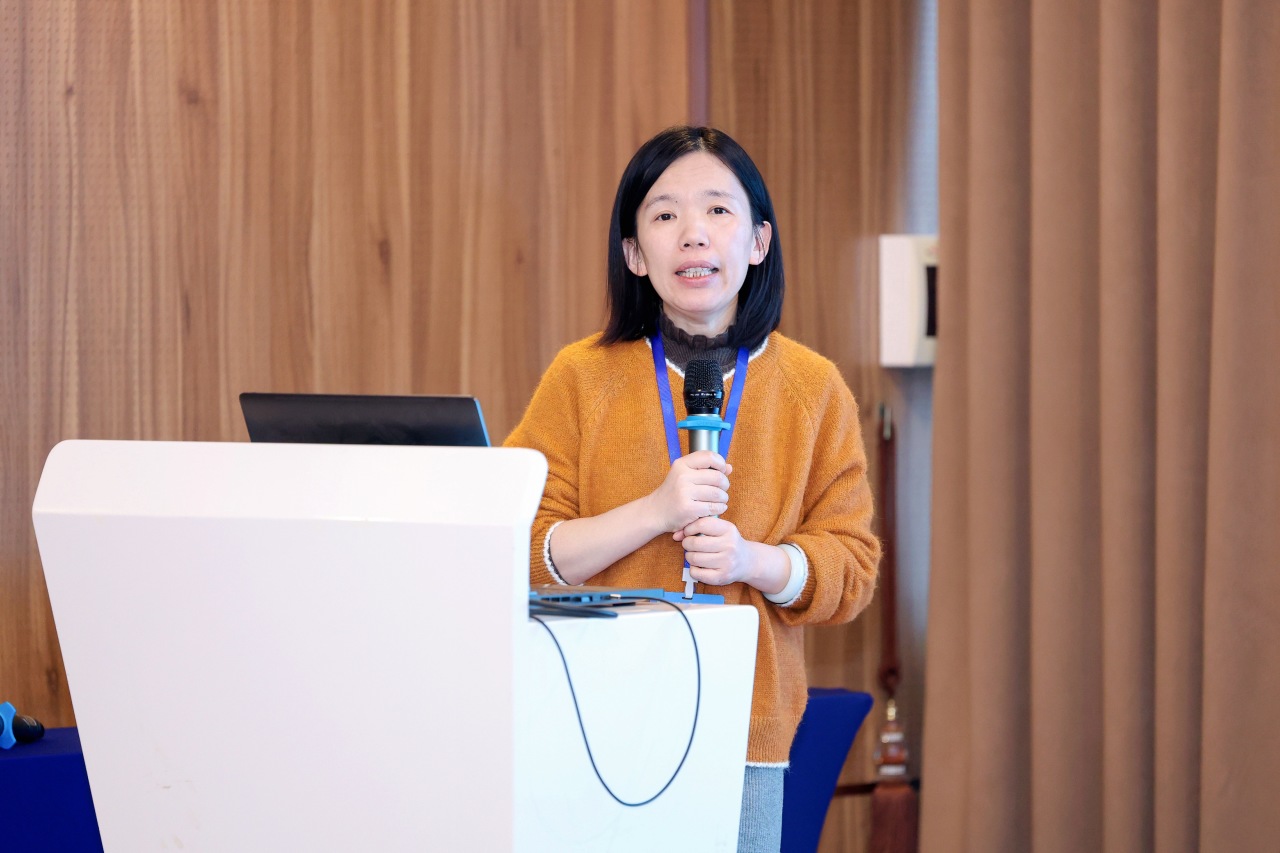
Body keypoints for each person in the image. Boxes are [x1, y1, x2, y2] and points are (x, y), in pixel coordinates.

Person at [504, 126, 880, 852]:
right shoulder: (580, 378)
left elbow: (853, 568)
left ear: (759, 242)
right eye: (665, 214)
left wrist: (751, 561)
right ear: (634, 254)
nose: (693, 233)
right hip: (589, 723)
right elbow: (516, 544)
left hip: (743, 736)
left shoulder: (813, 388)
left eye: (717, 210)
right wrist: (653, 512)